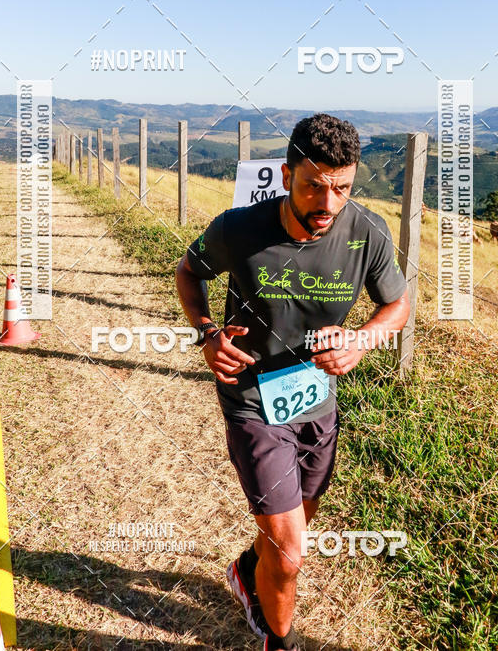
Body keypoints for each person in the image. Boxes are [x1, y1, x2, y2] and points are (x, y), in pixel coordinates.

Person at [175, 114, 410, 650]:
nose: (327, 204)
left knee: (294, 525)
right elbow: (188, 272)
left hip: (315, 401)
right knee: (289, 550)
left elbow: (397, 305)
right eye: (313, 186)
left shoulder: (368, 233)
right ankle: (277, 641)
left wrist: (362, 340)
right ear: (286, 176)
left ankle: (244, 571)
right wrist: (207, 331)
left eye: (342, 189)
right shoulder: (239, 229)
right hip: (252, 400)